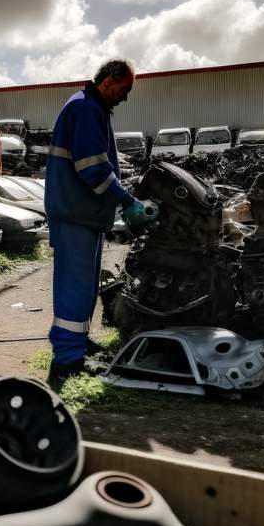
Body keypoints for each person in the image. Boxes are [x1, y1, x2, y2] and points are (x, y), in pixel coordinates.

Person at [42, 59, 157, 388]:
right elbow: (92, 168)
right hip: (76, 213)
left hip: (83, 215)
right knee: (74, 288)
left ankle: (78, 344)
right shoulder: (85, 110)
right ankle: (67, 361)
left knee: (85, 286)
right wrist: (128, 201)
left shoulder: (90, 107)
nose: (125, 97)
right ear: (109, 80)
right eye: (125, 89)